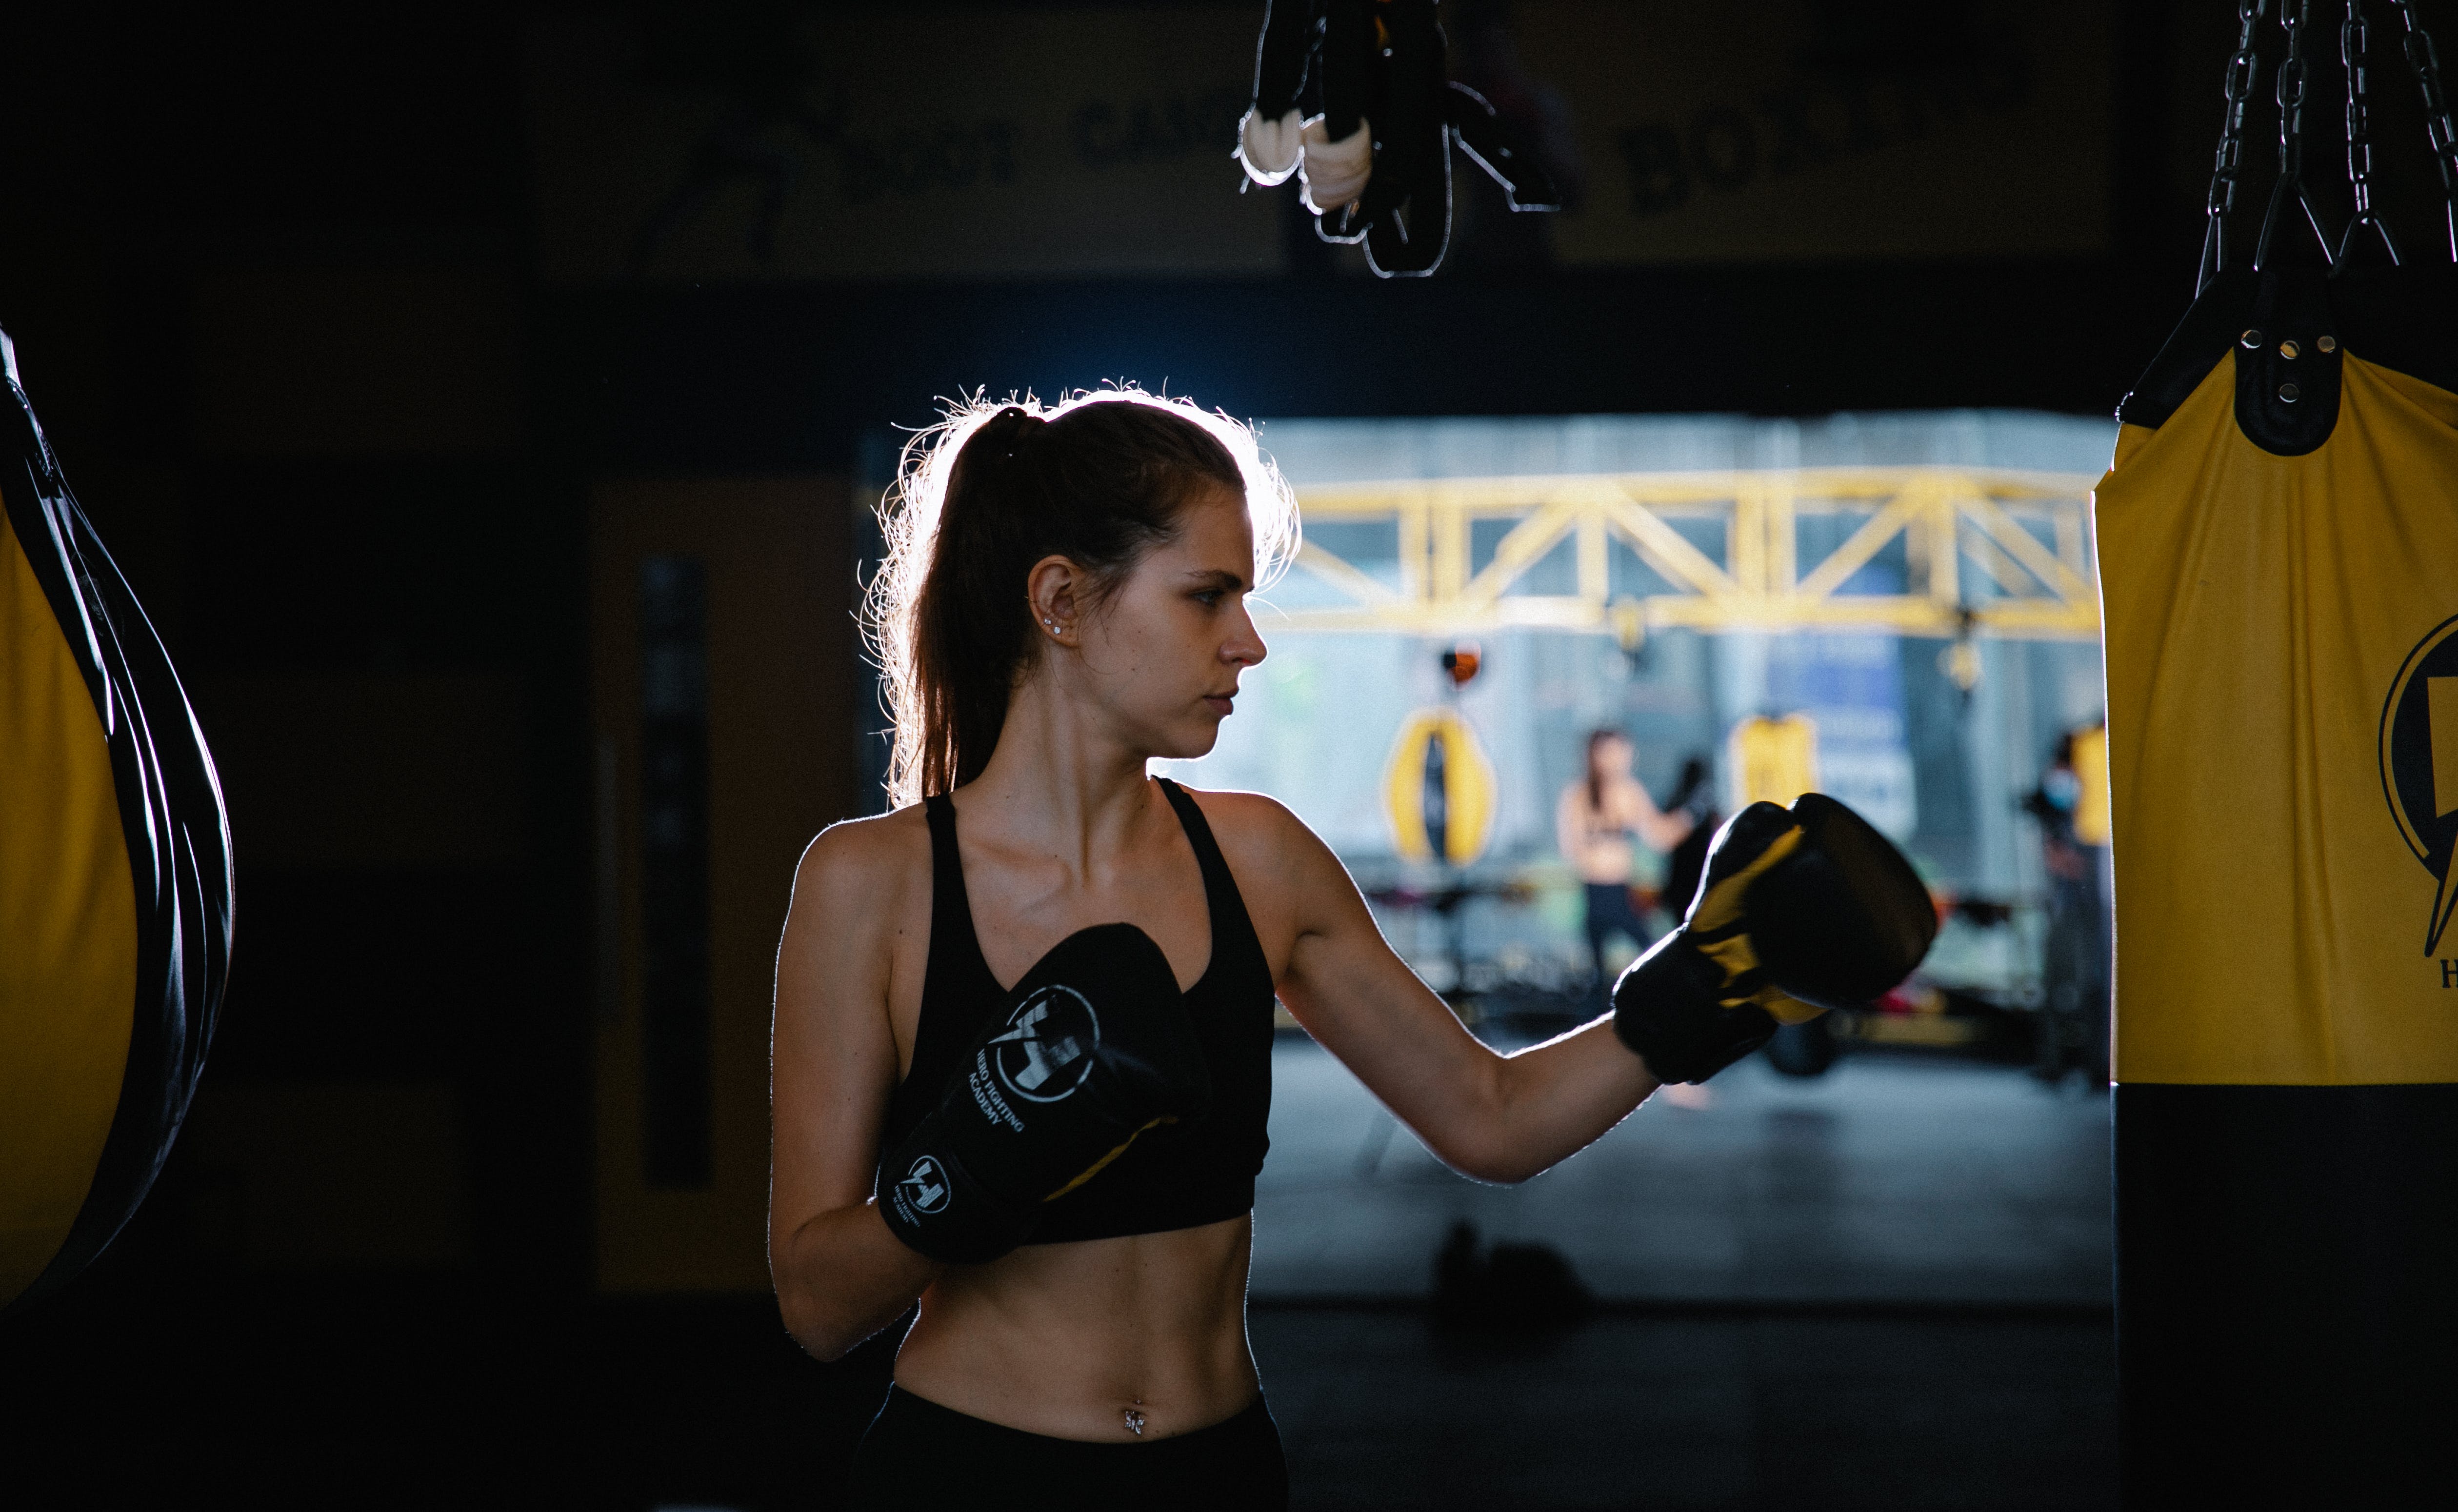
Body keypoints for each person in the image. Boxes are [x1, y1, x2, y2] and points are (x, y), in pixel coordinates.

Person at [768, 391, 1933, 1507]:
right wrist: (980, 1161)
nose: (1249, 643)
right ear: (1062, 600)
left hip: (1215, 1469)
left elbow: (1488, 1111)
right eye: (1206, 596)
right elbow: (817, 1301)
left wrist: (1701, 983)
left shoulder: (1258, 862)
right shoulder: (869, 884)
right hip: (968, 1475)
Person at [1555, 731, 1698, 1003]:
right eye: (1614, 753)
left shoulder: (1628, 792)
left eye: (1624, 753)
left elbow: (1660, 836)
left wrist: (1689, 817)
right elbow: (1572, 849)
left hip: (1621, 894)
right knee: (1599, 982)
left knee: (1654, 957)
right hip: (1595, 894)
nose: (1621, 760)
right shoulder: (1578, 795)